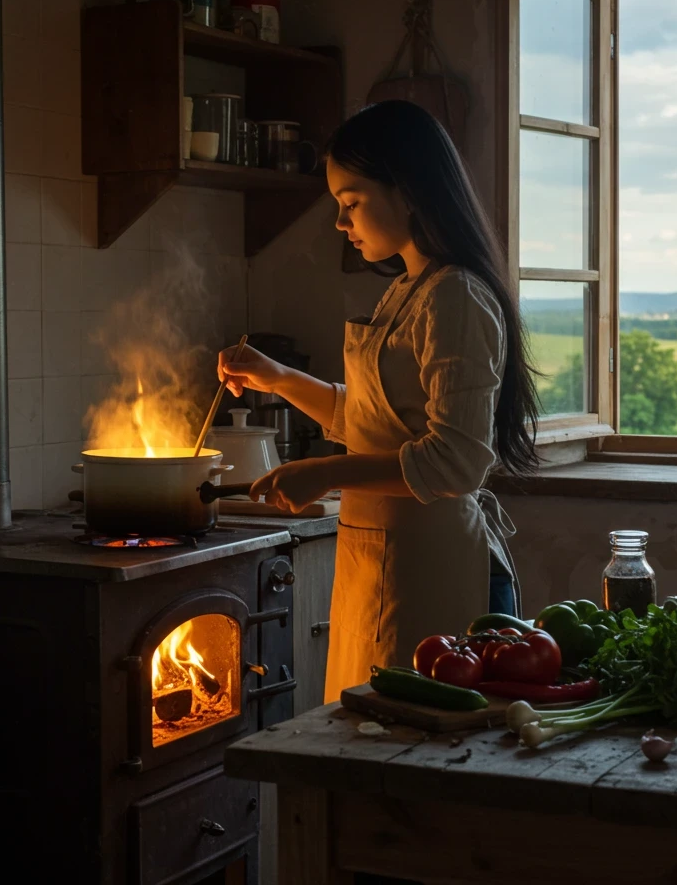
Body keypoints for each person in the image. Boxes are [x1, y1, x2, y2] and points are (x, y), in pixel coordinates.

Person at [218, 99, 540, 705]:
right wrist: (278, 377)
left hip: (435, 565)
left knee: (412, 746)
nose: (341, 222)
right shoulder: (406, 290)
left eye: (351, 201)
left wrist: (326, 472)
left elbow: (456, 460)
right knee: (368, 726)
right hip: (382, 552)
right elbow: (370, 421)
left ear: (409, 191)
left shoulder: (457, 297)